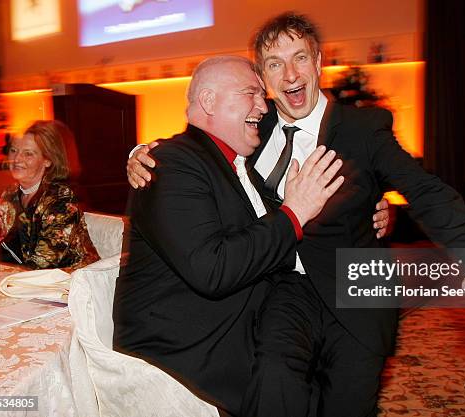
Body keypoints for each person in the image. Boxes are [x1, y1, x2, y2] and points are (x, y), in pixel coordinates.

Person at [127, 13, 465, 416]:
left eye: (299, 57)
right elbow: (207, 143)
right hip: (282, 290)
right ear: (264, 79)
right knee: (276, 385)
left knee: (348, 402)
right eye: (274, 64)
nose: (289, 74)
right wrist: (143, 153)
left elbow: (425, 191)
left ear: (318, 61)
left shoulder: (363, 128)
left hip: (355, 286)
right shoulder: (255, 124)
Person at [112, 56, 345, 416]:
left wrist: (371, 214)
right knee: (284, 376)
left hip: (234, 322)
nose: (263, 106)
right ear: (208, 101)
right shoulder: (171, 165)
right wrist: (294, 213)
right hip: (186, 349)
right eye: (251, 93)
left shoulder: (233, 165)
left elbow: (265, 237)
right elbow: (213, 269)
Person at [0, 120, 99, 270]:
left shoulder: (61, 199)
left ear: (47, 160)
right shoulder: (10, 194)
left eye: (28, 153)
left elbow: (45, 261)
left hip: (70, 282)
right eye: (14, 150)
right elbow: (1, 248)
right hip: (27, 278)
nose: (16, 159)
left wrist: (6, 277)